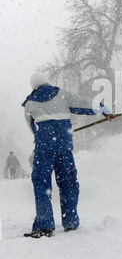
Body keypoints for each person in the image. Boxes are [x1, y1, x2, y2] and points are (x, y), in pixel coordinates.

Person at [22, 72, 113, 239]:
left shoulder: (29, 104)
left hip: (43, 150)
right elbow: (84, 103)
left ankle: (45, 226)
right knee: (68, 183)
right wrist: (103, 109)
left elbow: (33, 129)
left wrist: (46, 136)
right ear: (46, 81)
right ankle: (70, 221)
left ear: (33, 86)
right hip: (64, 148)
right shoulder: (62, 95)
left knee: (41, 185)